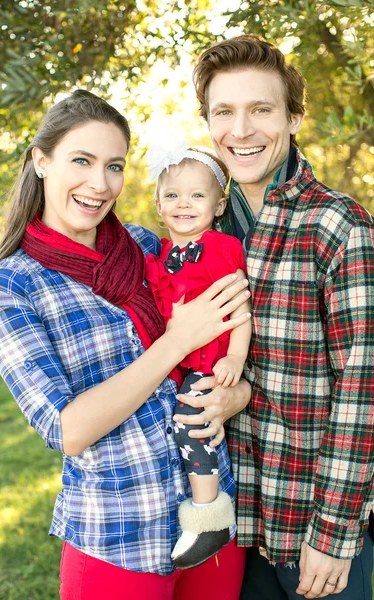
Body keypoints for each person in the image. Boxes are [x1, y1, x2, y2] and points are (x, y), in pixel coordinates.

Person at [0, 90, 253, 600]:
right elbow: (68, 429)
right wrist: (174, 343)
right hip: (119, 535)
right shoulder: (11, 285)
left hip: (211, 515)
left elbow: (228, 331)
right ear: (41, 161)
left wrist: (236, 395)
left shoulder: (150, 247)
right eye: (82, 160)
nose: (99, 184)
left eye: (114, 166)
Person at [191, 35, 374, 600]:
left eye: (261, 110)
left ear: (294, 117)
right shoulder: (204, 234)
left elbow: (362, 386)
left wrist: (333, 531)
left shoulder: (340, 226)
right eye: (224, 111)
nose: (241, 130)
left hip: (316, 534)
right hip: (234, 532)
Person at [145, 140, 252, 570]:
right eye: (172, 195)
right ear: (157, 204)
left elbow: (239, 309)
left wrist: (236, 360)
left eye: (196, 195)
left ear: (219, 203)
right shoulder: (162, 257)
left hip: (212, 359)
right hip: (179, 361)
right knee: (181, 426)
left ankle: (208, 514)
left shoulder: (219, 249)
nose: (183, 204)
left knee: (190, 423)